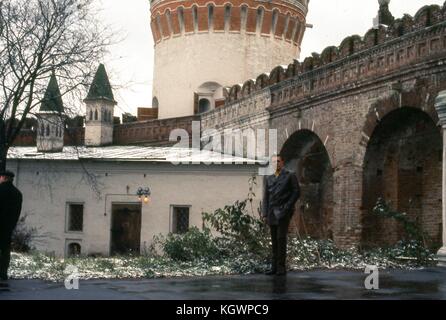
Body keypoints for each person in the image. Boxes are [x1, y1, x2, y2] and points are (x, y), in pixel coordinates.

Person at [262, 155, 300, 276]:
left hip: (283, 211)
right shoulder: (268, 178)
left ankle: (281, 267)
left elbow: (296, 192)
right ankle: (273, 267)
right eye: (273, 162)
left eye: (278, 161)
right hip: (272, 212)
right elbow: (266, 197)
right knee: (274, 240)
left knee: (281, 239)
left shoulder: (290, 175)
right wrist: (265, 213)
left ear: (282, 162)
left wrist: (288, 206)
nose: (276, 164)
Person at [0, 170, 23, 281]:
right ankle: (3, 273)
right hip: (8, 226)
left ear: (4, 178)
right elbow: (17, 212)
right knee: (5, 250)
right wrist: (11, 225)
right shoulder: (17, 193)